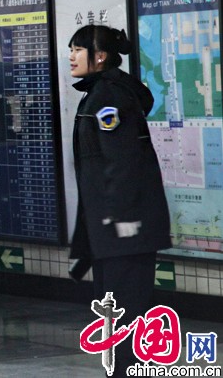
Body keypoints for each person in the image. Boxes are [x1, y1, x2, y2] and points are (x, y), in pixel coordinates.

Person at [67, 25, 171, 377]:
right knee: (117, 312)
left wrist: (121, 221)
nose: (71, 56)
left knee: (125, 313)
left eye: (78, 49)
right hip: (112, 227)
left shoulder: (109, 97)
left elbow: (124, 163)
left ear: (100, 56)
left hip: (126, 228)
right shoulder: (98, 93)